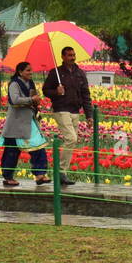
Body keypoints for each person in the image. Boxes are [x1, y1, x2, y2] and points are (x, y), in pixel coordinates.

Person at [43, 46, 93, 186]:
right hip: (61, 109)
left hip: (75, 110)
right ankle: (60, 171)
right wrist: (56, 92)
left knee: (72, 141)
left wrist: (89, 115)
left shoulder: (80, 73)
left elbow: (85, 95)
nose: (72, 57)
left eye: (73, 54)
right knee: (71, 138)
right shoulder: (55, 73)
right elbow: (45, 90)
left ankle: (62, 173)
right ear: (63, 57)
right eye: (69, 55)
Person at [0, 62, 50, 188]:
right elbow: (14, 100)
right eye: (28, 70)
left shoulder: (31, 84)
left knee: (39, 146)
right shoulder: (14, 84)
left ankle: (40, 174)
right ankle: (8, 177)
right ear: (20, 72)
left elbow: (33, 98)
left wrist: (36, 101)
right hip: (16, 123)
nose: (30, 72)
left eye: (31, 70)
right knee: (12, 151)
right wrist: (31, 100)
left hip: (29, 122)